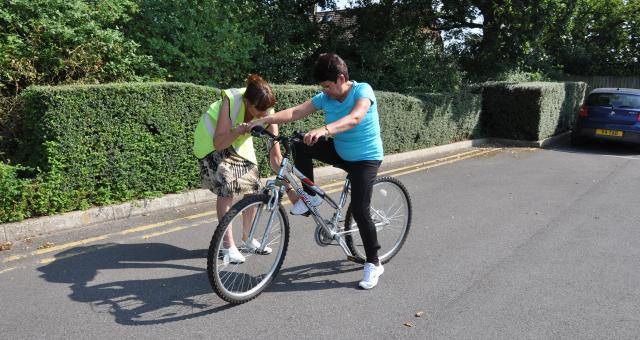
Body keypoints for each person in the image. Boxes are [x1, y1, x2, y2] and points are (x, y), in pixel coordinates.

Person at [250, 53, 385, 289]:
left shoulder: (363, 91)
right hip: (342, 152)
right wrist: (262, 121)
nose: (326, 91)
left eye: (328, 86)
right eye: (323, 87)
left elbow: (354, 118)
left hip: (365, 159)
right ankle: (310, 194)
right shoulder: (325, 97)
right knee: (301, 142)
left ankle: (373, 263)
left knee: (361, 211)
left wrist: (325, 129)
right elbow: (295, 112)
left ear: (342, 78)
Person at [193, 74, 295, 264]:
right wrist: (238, 130)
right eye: (260, 111)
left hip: (239, 142)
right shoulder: (230, 101)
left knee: (253, 186)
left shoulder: (267, 108)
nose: (265, 116)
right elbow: (219, 142)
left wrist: (289, 186)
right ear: (248, 103)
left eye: (268, 111)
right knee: (227, 183)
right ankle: (227, 245)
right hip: (211, 140)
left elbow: (275, 156)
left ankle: (247, 238)